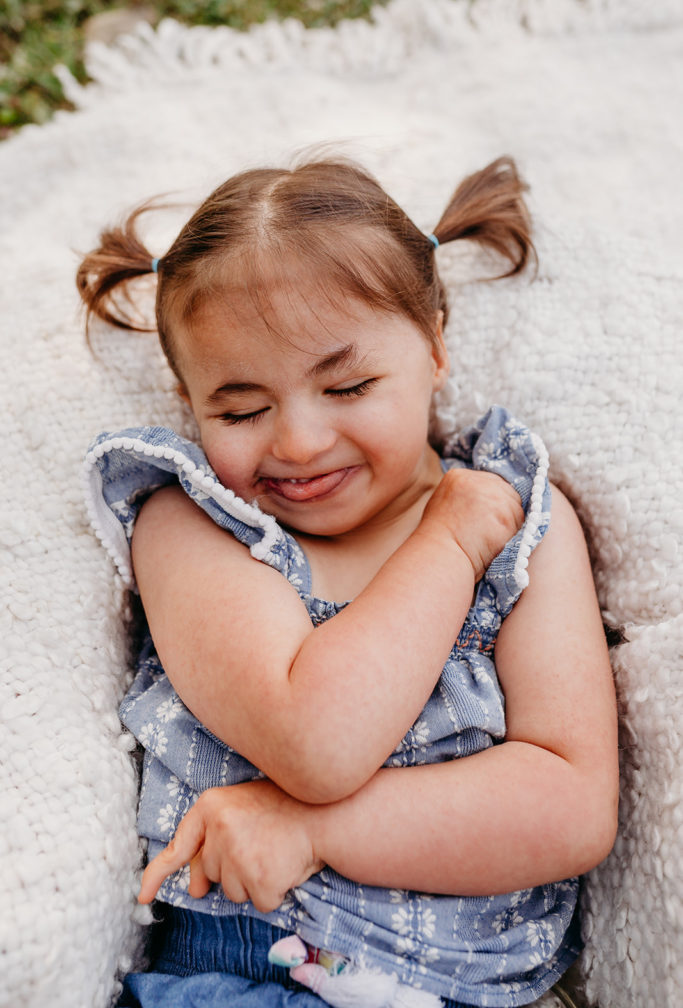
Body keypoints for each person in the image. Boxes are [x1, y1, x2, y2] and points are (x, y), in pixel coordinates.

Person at [79, 155, 618, 1008]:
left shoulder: (519, 522)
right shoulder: (196, 523)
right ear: (188, 404)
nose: (296, 441)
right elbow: (315, 739)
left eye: (348, 385)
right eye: (240, 409)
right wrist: (444, 543)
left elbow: (571, 804)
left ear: (436, 347)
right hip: (251, 968)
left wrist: (312, 827)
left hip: (477, 990)